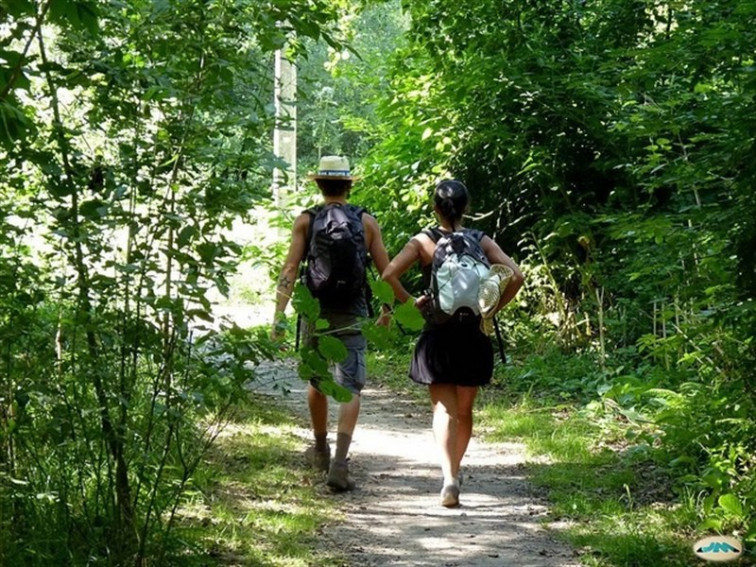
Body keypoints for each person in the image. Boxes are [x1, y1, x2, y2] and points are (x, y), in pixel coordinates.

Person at [381, 179, 524, 507]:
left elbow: (388, 274)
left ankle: (448, 479)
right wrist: (491, 309)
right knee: (464, 408)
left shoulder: (423, 241)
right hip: (473, 332)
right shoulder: (480, 239)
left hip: (438, 332)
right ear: (466, 208)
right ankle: (456, 470)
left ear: (435, 208)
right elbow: (515, 276)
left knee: (444, 409)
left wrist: (411, 302)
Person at [272, 155, 390, 492]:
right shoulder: (366, 221)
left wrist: (279, 316)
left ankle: (320, 450)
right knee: (350, 387)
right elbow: (385, 270)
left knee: (317, 380)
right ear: (348, 185)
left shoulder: (306, 220)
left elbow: (290, 270)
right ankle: (340, 463)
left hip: (316, 310)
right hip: (352, 309)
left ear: (320, 185)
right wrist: (386, 308)